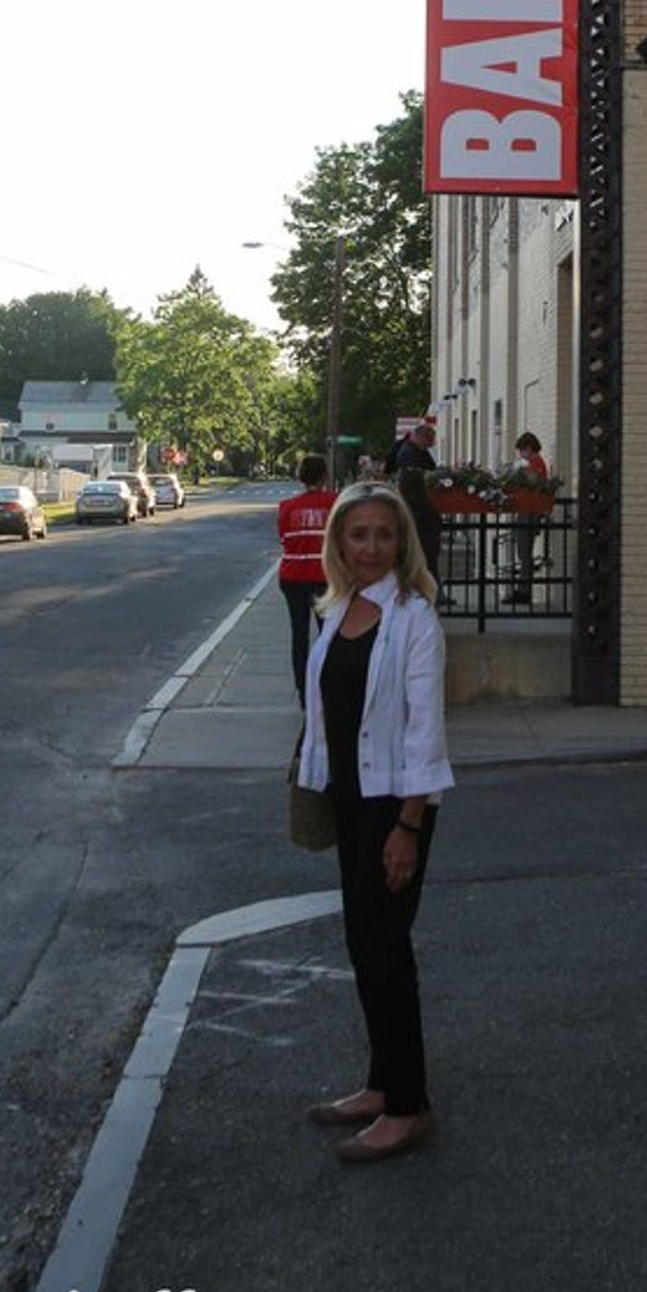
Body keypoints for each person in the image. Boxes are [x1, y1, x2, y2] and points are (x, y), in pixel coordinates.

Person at [296, 481, 453, 1163]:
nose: (369, 547)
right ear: (339, 542)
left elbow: (426, 730)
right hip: (350, 800)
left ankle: (407, 1106)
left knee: (388, 952)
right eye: (357, 535)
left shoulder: (415, 618)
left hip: (396, 805)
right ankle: (380, 1083)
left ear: (401, 543)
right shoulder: (336, 608)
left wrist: (408, 825)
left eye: (383, 536)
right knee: (364, 945)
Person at [276, 453, 337, 706]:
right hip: (324, 577)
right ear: (324, 476)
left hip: (292, 577)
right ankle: (327, 686)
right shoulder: (335, 503)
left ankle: (303, 691)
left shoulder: (287, 507)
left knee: (299, 635)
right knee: (329, 635)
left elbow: (283, 539)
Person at [391, 418, 442, 587]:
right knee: (424, 554)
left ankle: (432, 589)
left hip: (423, 512)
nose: (432, 444)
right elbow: (418, 480)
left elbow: (432, 470)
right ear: (421, 437)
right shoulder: (408, 454)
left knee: (428, 555)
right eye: (430, 441)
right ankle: (427, 589)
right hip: (419, 512)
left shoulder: (418, 452)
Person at [508, 430, 549, 603]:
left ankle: (524, 592)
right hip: (527, 510)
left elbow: (532, 482)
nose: (521, 455)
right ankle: (522, 589)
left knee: (524, 553)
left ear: (529, 448)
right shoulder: (534, 462)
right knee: (523, 552)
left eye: (522, 450)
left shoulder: (536, 462)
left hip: (529, 511)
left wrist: (519, 471)